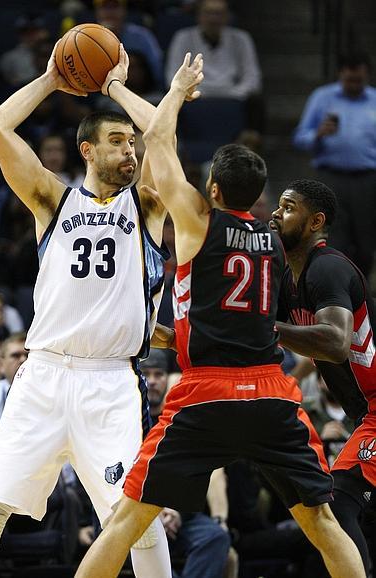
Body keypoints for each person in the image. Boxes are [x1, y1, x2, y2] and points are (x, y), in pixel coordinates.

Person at [74, 54, 366, 578]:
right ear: (260, 198)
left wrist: (152, 89)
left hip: (206, 392)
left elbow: (158, 141)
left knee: (125, 522)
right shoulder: (275, 243)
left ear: (211, 190)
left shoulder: (195, 223)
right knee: (323, 522)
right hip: (270, 392)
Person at [0, 43, 172, 578]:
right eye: (116, 142)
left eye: (132, 143)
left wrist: (116, 88)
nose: (131, 152)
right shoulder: (52, 200)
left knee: (132, 514)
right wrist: (51, 78)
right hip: (43, 373)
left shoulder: (146, 204)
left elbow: (163, 135)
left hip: (111, 381)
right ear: (87, 150)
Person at [271, 178, 376, 574]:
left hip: (374, 412)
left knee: (339, 505)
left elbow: (334, 341)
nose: (277, 215)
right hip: (364, 415)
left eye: (288, 207)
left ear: (315, 221)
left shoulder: (327, 268)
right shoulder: (289, 279)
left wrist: (271, 329)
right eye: (278, 207)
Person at [142, 348, 234, 578]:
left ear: (168, 378)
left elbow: (195, 470)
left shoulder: (182, 418)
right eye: (146, 374)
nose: (152, 381)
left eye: (159, 374)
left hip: (179, 511)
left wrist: (176, 511)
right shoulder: (126, 418)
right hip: (138, 512)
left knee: (215, 536)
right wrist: (156, 512)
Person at [292, 52, 376, 277]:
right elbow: (299, 138)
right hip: (330, 177)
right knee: (333, 237)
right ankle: (335, 285)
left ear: (367, 75)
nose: (354, 84)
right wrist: (318, 134)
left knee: (366, 242)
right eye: (349, 80)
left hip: (367, 179)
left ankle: (361, 289)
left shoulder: (374, 99)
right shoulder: (322, 97)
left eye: (358, 80)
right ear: (340, 74)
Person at [165, 0, 262, 133]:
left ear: (227, 16)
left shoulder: (241, 39)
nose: (213, 18)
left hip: (234, 94)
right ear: (198, 15)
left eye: (219, 13)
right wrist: (192, 92)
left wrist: (234, 93)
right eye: (208, 13)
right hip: (194, 95)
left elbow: (252, 79)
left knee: (257, 103)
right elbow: (172, 77)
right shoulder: (183, 38)